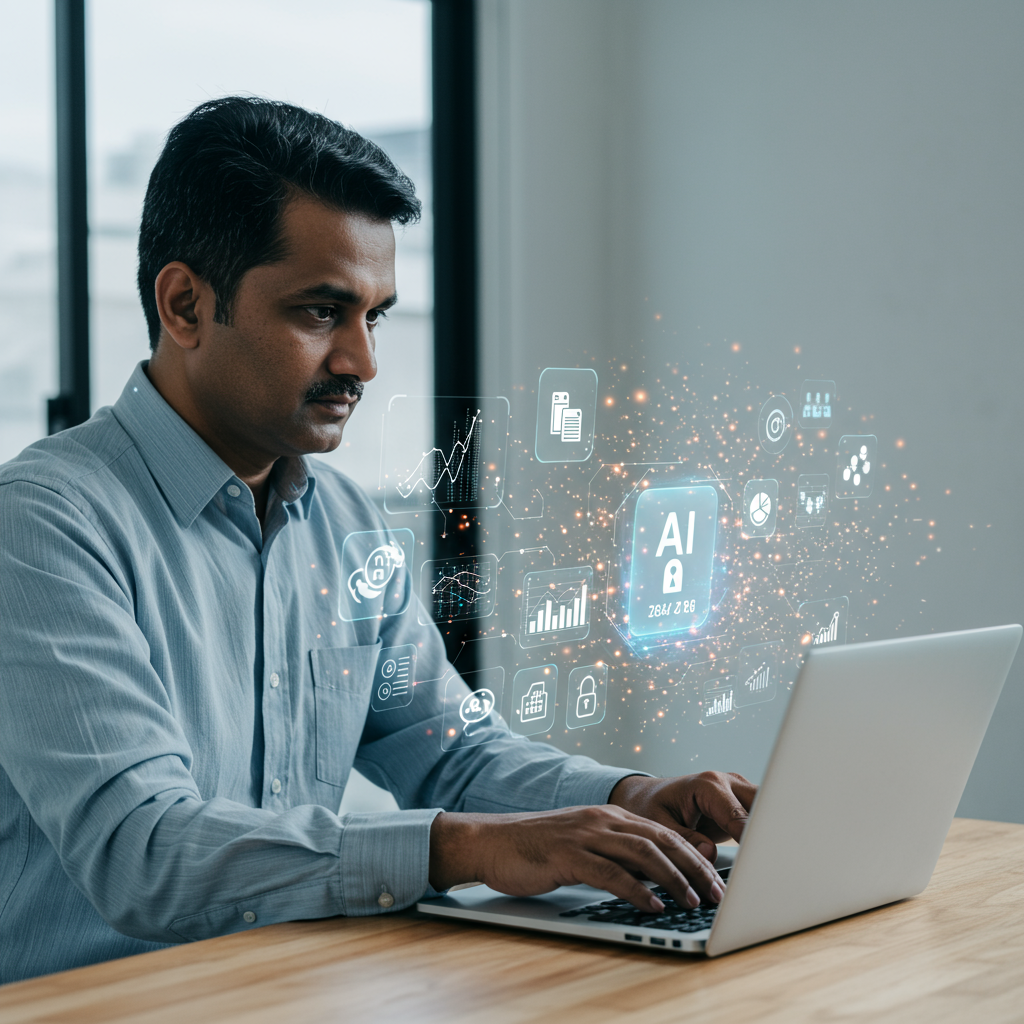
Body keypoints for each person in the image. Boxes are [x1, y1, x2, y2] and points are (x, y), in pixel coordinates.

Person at [0, 97, 754, 984]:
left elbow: (451, 750)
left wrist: (627, 799)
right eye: (322, 313)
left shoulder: (348, 525)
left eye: (376, 315)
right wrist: (463, 849)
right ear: (185, 305)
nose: (362, 362)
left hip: (283, 996)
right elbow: (142, 846)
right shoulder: (42, 527)